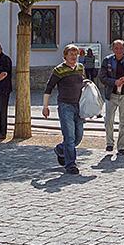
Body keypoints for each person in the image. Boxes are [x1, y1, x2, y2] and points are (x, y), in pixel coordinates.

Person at [42, 44, 87, 174]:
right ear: (65, 56)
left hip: (79, 106)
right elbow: (49, 87)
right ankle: (70, 165)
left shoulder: (80, 68)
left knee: (78, 136)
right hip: (65, 106)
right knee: (70, 136)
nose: (73, 57)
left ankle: (61, 149)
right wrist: (45, 107)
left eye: (75, 54)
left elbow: (80, 82)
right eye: (71, 54)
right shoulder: (59, 70)